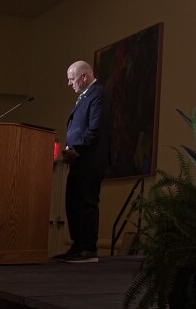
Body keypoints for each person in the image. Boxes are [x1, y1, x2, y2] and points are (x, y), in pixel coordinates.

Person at [55, 60, 111, 263]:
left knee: (86, 202)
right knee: (73, 202)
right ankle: (77, 245)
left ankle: (88, 248)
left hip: (90, 159)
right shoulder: (84, 96)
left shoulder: (98, 94)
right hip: (78, 160)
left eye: (72, 79)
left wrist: (77, 150)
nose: (70, 83)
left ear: (84, 77)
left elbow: (95, 128)